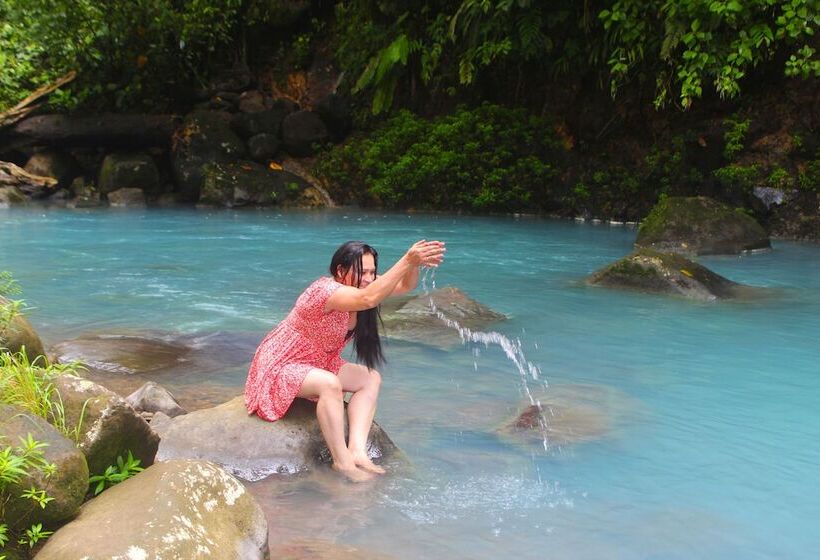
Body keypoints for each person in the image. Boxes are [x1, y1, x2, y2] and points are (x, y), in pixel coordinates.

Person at [245, 239, 446, 482]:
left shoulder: (365, 287)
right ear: (341, 271)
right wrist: (406, 259)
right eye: (363, 272)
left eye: (372, 272)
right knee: (330, 384)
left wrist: (413, 265)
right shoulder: (325, 291)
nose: (369, 278)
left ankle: (358, 451)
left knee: (370, 378)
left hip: (319, 361)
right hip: (282, 363)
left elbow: (405, 286)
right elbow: (368, 299)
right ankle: (342, 462)